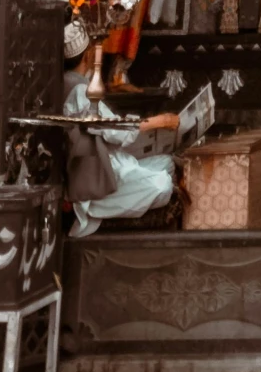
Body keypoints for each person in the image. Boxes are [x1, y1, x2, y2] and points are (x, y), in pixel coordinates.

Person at [62, 19, 186, 236]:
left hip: (105, 163)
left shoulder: (70, 84)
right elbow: (115, 130)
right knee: (162, 185)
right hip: (93, 181)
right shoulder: (80, 91)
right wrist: (159, 122)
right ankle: (93, 210)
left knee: (166, 163)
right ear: (88, 55)